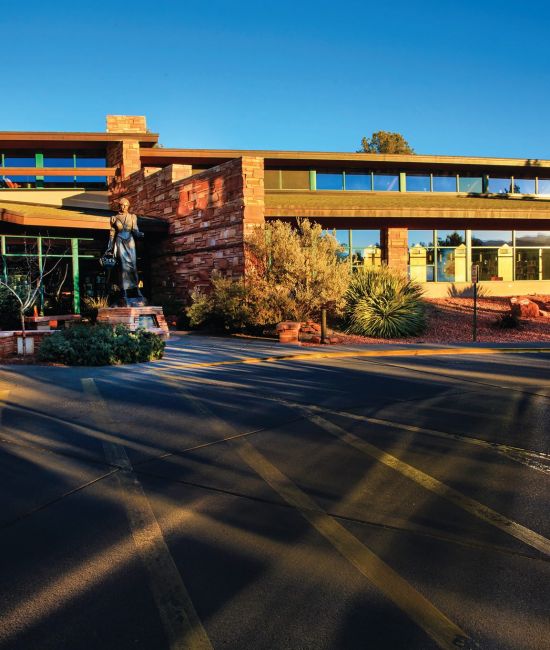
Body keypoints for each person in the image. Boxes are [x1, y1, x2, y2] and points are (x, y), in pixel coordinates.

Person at [105, 198, 144, 301]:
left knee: (133, 266)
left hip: (130, 241)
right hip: (120, 241)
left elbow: (135, 230)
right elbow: (112, 234)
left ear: (128, 206)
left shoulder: (132, 217)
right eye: (122, 205)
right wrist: (110, 247)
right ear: (119, 206)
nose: (123, 207)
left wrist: (139, 234)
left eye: (125, 205)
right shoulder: (114, 218)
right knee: (123, 267)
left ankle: (136, 289)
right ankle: (124, 291)